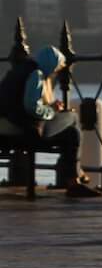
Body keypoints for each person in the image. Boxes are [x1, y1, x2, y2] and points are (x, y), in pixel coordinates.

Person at [0, 46, 83, 187]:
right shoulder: (36, 74)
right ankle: (74, 179)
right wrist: (51, 110)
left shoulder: (16, 72)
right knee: (72, 118)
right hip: (26, 132)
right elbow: (31, 106)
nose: (56, 72)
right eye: (57, 68)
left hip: (5, 132)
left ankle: (75, 176)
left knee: (71, 133)